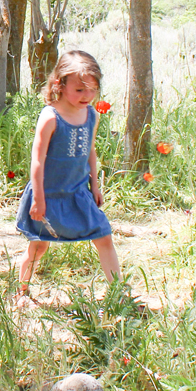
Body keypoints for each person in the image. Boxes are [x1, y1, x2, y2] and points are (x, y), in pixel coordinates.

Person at [16, 49, 120, 297]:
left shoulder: (91, 115)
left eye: (93, 89)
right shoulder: (51, 117)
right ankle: (22, 292)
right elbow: (37, 160)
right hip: (48, 195)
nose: (88, 96)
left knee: (104, 236)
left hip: (78, 193)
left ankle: (120, 295)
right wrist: (39, 198)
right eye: (80, 90)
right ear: (59, 85)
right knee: (38, 247)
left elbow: (90, 151)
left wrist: (95, 186)